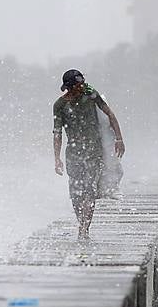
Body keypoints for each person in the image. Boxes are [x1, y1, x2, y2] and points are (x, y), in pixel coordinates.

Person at [52, 69, 125, 240]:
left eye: (83, 82)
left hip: (94, 151)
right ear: (69, 87)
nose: (82, 86)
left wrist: (119, 138)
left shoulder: (91, 94)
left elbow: (110, 114)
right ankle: (81, 221)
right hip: (74, 153)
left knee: (89, 189)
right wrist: (57, 158)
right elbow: (57, 133)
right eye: (78, 84)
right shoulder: (60, 105)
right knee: (76, 193)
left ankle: (84, 228)